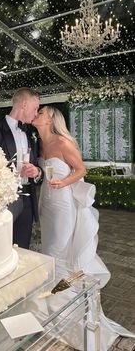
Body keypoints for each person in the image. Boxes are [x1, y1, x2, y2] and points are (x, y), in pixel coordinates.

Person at [32, 105, 135, 350]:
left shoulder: (63, 142)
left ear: (51, 118)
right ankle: (53, 298)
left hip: (63, 203)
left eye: (41, 111)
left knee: (60, 252)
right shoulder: (38, 143)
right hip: (45, 202)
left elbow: (81, 170)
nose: (36, 113)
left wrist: (63, 182)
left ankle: (64, 302)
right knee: (49, 250)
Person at [0, 87, 43, 249]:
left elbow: (38, 166)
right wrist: (14, 174)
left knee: (23, 249)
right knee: (0, 249)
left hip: (27, 201)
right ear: (24, 104)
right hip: (4, 202)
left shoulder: (29, 133)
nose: (36, 113)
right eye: (35, 108)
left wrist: (37, 172)